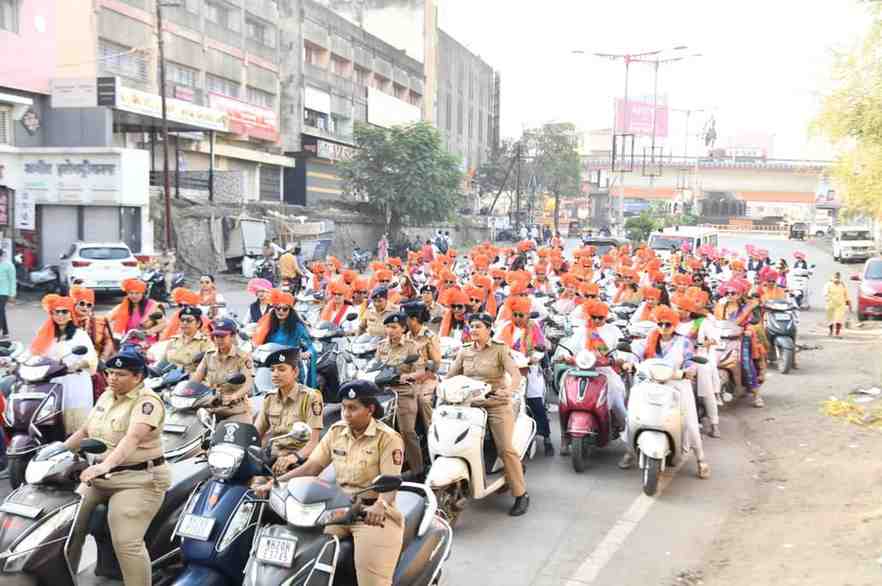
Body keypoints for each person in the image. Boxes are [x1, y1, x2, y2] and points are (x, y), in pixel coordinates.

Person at [258, 380, 405, 586]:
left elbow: (390, 484)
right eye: (344, 407)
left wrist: (380, 505)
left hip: (370, 514)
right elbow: (311, 467)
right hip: (337, 510)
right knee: (306, 559)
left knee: (372, 581)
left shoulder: (388, 438)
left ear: (370, 409)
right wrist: (275, 483)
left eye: (353, 408)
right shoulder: (337, 432)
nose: (346, 413)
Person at [64, 350, 170, 586]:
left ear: (138, 376)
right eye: (110, 373)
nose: (112, 378)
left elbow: (131, 439)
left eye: (120, 374)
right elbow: (84, 432)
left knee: (126, 541)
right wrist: (57, 453)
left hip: (139, 479)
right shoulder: (107, 396)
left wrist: (104, 466)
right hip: (101, 477)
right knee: (68, 526)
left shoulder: (147, 402)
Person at [446, 312, 530, 516]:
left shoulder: (499, 350)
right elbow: (450, 377)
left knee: (505, 449)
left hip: (495, 404)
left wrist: (509, 391)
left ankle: (521, 494)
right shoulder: (464, 352)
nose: (473, 330)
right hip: (469, 405)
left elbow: (516, 375)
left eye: (478, 326)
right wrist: (442, 389)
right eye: (471, 326)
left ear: (489, 329)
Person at [620, 305, 711, 479]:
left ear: (674, 325)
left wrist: (689, 371)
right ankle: (630, 452)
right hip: (649, 383)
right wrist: (629, 362)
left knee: (690, 423)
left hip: (676, 385)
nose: (663, 328)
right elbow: (635, 355)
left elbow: (690, 362)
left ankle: (701, 460)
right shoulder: (648, 339)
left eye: (667, 324)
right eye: (660, 324)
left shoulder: (684, 342)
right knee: (633, 415)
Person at [30, 294, 98, 432]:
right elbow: (33, 355)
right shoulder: (45, 335)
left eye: (64, 311)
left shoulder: (80, 334)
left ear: (70, 313)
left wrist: (77, 365)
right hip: (50, 381)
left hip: (74, 381)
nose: (60, 315)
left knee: (75, 425)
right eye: (56, 312)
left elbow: (91, 358)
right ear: (51, 314)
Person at [495, 295, 553, 456]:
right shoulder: (505, 326)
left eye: (521, 315)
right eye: (515, 314)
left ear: (528, 315)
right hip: (508, 371)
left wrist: (535, 357)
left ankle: (546, 437)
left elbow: (541, 347)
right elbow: (495, 344)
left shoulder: (534, 327)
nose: (518, 318)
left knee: (535, 402)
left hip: (530, 369)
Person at [254, 346, 324, 475]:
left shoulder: (311, 397)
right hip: (274, 456)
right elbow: (256, 433)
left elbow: (313, 443)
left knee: (265, 488)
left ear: (295, 372)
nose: (275, 374)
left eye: (281, 369)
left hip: (299, 459)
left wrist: (294, 457)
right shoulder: (269, 398)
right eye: (272, 370)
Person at [376, 313, 424, 475]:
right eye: (388, 327)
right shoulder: (381, 346)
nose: (390, 330)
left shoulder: (411, 346)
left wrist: (407, 376)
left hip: (403, 392)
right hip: (383, 392)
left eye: (394, 327)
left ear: (403, 329)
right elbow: (374, 366)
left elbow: (420, 370)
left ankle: (418, 470)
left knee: (407, 431)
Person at [252, 289, 318, 387]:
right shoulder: (267, 326)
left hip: (290, 366)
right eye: (278, 308)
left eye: (285, 309)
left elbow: (311, 347)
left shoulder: (297, 327)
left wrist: (307, 353)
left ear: (290, 310)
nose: (281, 311)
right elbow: (258, 343)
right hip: (270, 368)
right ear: (274, 309)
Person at [193, 318, 253, 424]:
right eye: (216, 336)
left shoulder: (243, 357)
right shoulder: (209, 355)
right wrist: (187, 391)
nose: (218, 340)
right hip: (210, 406)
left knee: (233, 436)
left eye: (222, 336)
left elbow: (248, 385)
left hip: (234, 409)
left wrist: (233, 396)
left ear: (233, 336)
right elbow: (195, 381)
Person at [402, 301, 440, 436]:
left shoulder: (429, 336)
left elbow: (436, 362)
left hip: (426, 377)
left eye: (404, 317)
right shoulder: (405, 336)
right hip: (407, 377)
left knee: (423, 401)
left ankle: (432, 435)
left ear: (414, 319)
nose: (402, 320)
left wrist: (425, 375)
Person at [108, 278, 166, 343]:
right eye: (131, 293)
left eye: (137, 293)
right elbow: (107, 318)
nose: (134, 296)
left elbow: (163, 323)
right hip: (127, 341)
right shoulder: (122, 307)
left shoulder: (153, 306)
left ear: (142, 294)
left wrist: (146, 332)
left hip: (147, 342)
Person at [163, 306, 214, 375]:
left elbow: (209, 367)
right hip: (167, 376)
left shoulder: (205, 343)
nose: (184, 323)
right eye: (182, 320)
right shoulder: (173, 341)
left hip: (189, 378)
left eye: (189, 320)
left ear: (198, 323)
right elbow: (163, 361)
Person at [824, 272, 851, 337]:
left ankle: (837, 333)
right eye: (835, 278)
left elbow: (846, 294)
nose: (836, 279)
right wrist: (828, 299)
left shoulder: (842, 285)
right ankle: (831, 332)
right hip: (830, 304)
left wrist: (848, 301)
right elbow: (825, 294)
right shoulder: (828, 284)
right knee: (830, 319)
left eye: (838, 278)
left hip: (840, 304)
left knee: (839, 319)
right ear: (833, 277)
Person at [0, 248, 16, 338]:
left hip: (4, 292)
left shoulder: (9, 265)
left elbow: (12, 280)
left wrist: (12, 295)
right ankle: (5, 332)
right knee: (1, 312)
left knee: (0, 311)